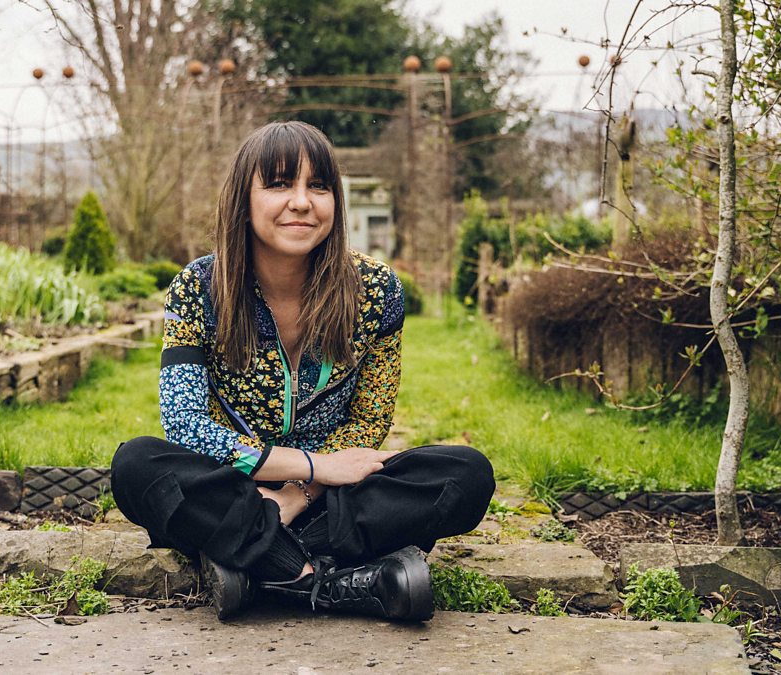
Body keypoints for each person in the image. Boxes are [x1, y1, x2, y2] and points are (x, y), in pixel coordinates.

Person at [110, 120, 495, 622]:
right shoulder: (198, 288)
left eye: (318, 186)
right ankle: (329, 579)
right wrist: (307, 467)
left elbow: (368, 421)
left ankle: (258, 561)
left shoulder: (377, 291)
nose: (301, 202)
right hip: (232, 484)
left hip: (329, 499)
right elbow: (185, 424)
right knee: (137, 464)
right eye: (278, 184)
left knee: (465, 473)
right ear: (242, 200)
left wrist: (299, 494)